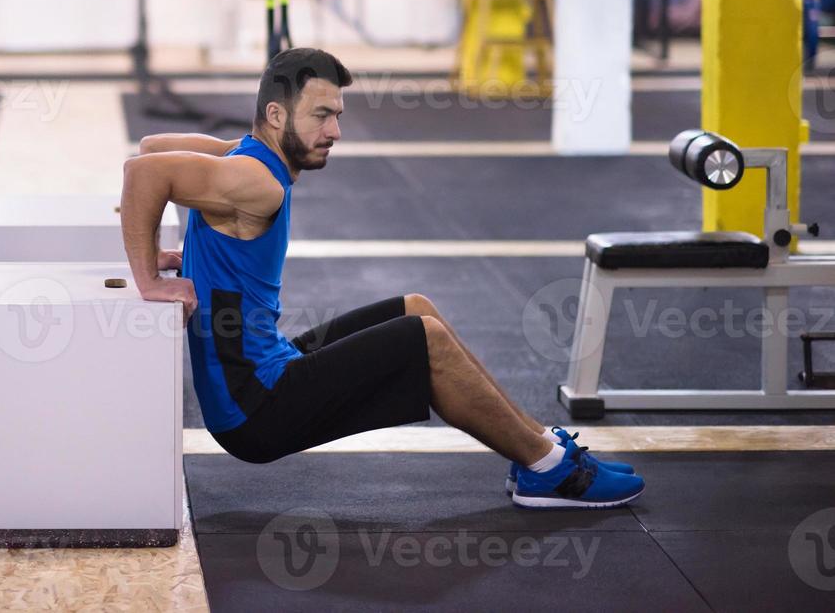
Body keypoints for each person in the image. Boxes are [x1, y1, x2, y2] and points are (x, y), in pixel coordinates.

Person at [119, 47, 644, 509]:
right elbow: (144, 173)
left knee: (415, 310)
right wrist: (150, 277)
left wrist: (182, 254)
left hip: (271, 369)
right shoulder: (255, 181)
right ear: (276, 115)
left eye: (337, 115)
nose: (336, 132)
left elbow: (150, 146)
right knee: (426, 341)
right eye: (321, 115)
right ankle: (552, 472)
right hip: (255, 407)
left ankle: (537, 443)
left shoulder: (245, 158)